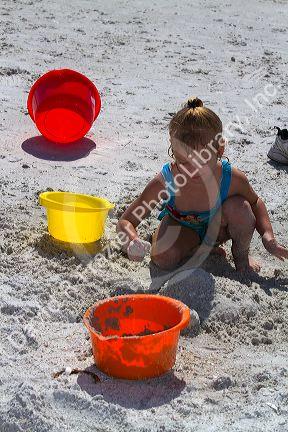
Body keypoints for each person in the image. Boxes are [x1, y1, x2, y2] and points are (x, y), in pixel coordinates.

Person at [117, 97, 288, 272]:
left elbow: (255, 203)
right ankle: (197, 249)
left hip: (219, 229)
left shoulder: (231, 178)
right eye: (183, 162)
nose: (193, 170)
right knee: (163, 258)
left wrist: (268, 236)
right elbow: (126, 220)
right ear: (173, 151)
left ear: (220, 149)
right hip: (182, 228)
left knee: (241, 209)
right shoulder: (168, 179)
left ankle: (241, 256)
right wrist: (132, 240)